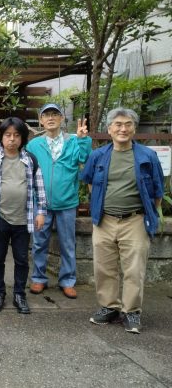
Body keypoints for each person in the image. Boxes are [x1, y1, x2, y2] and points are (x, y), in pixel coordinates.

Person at [81, 108, 164, 334]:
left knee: (134, 269)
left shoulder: (147, 156)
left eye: (128, 124)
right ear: (109, 129)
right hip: (105, 220)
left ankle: (131, 311)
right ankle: (109, 307)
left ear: (134, 128)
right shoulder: (98, 156)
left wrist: (147, 213)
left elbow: (157, 191)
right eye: (117, 124)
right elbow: (89, 182)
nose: (123, 129)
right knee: (104, 267)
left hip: (135, 219)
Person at [0, 117, 47, 314]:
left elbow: (39, 188)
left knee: (22, 259)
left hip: (23, 220)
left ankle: (19, 294)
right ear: (1, 137)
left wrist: (41, 212)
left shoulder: (30, 160)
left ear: (23, 138)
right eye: (8, 135)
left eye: (16, 135)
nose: (12, 139)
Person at [27, 103, 92, 299]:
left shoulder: (73, 141)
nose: (51, 118)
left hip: (67, 202)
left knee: (67, 243)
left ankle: (68, 280)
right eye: (46, 115)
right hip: (41, 203)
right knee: (39, 243)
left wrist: (83, 140)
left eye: (55, 114)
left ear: (62, 119)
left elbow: (85, 160)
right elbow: (27, 171)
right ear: (40, 121)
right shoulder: (33, 145)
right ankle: (38, 278)